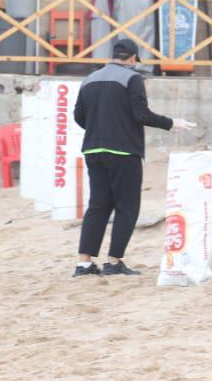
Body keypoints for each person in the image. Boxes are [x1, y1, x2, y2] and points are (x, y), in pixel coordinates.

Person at [72, 38, 196, 278]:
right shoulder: (132, 79)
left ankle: (84, 263)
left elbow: (78, 116)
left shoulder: (89, 79)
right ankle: (114, 262)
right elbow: (141, 115)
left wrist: (99, 127)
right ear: (132, 59)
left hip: (93, 150)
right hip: (123, 152)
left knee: (97, 205)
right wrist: (172, 123)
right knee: (127, 207)